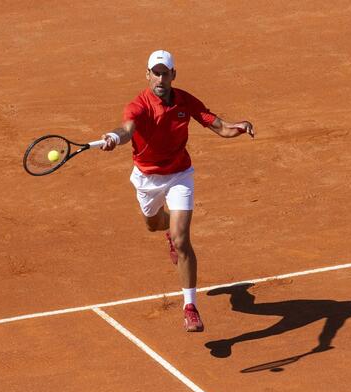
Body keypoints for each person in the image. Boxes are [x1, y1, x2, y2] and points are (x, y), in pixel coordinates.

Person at [100, 50, 254, 332]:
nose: (160, 78)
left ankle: (190, 307)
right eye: (155, 72)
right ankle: (167, 231)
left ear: (173, 75)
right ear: (147, 75)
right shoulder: (139, 105)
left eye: (165, 72)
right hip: (147, 179)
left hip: (180, 175)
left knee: (183, 241)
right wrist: (112, 137)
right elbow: (126, 129)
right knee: (152, 224)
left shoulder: (184, 100)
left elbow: (217, 125)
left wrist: (239, 127)